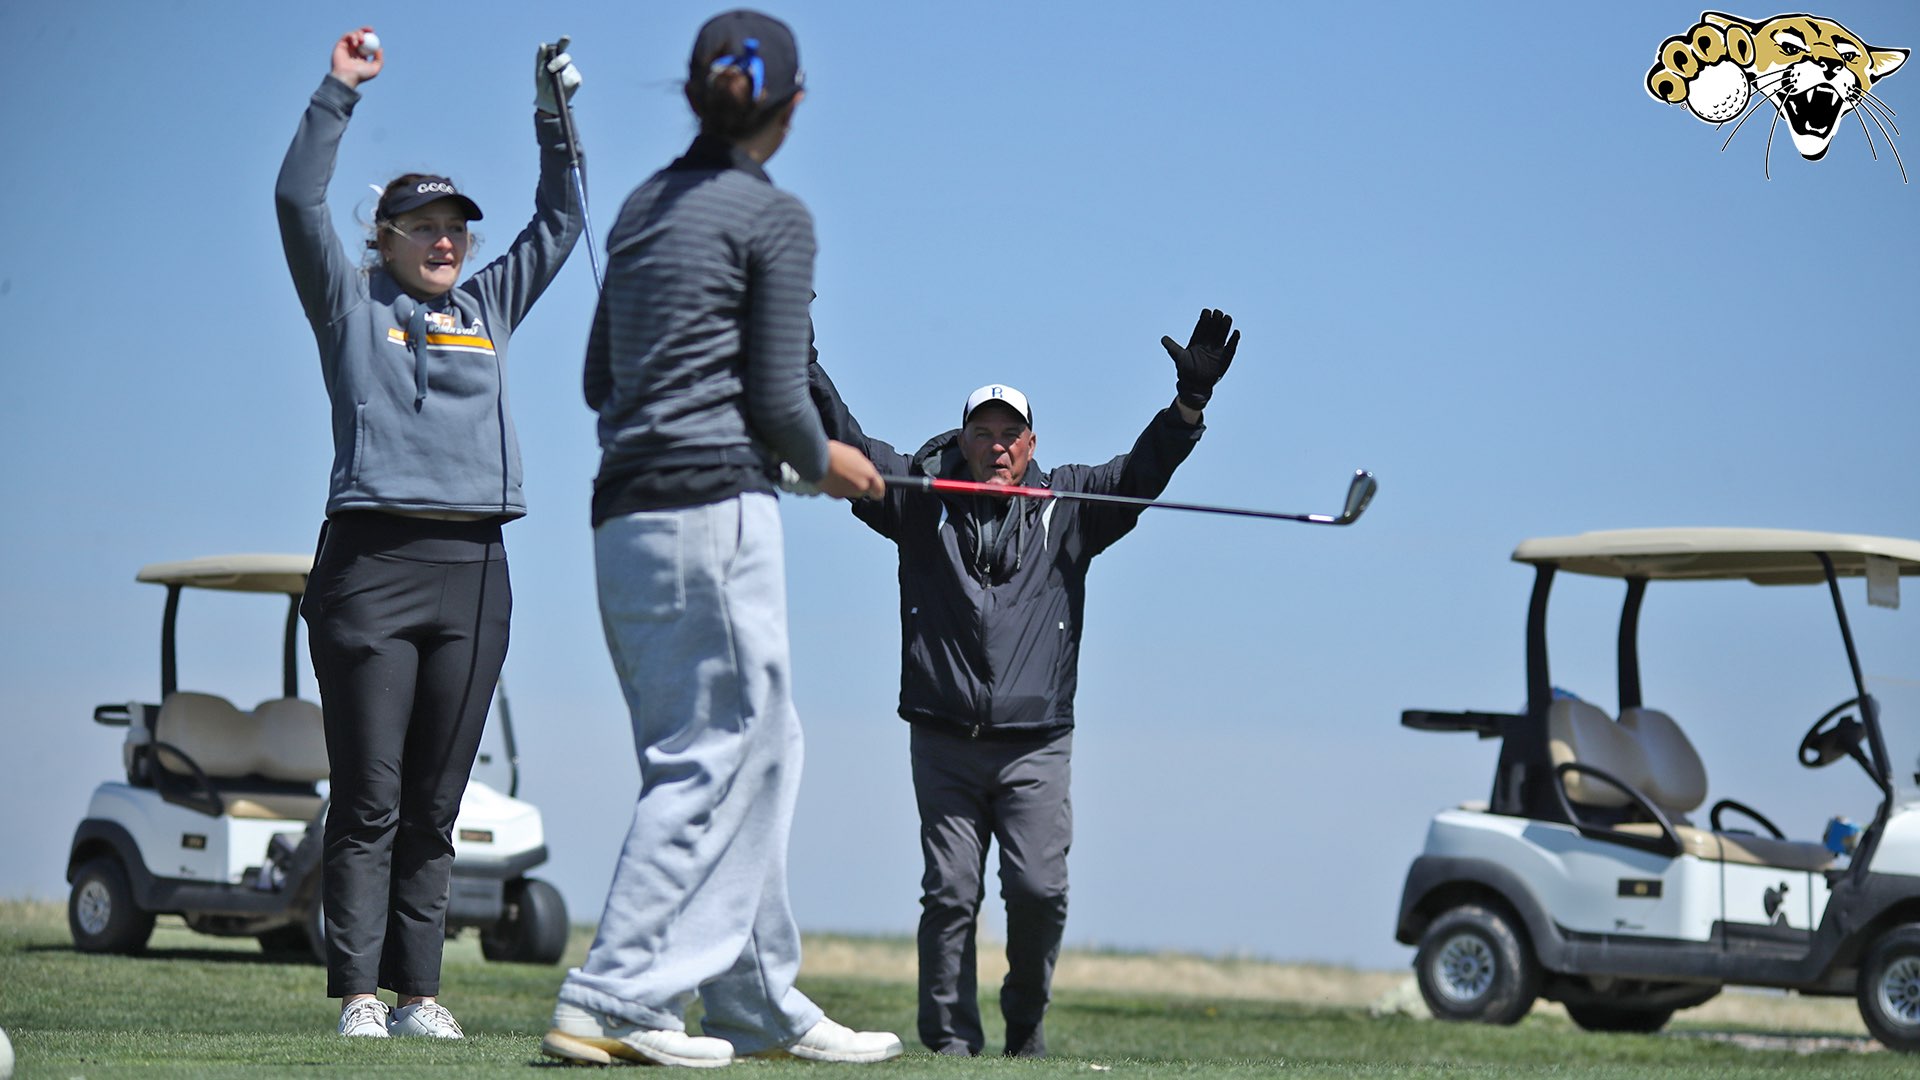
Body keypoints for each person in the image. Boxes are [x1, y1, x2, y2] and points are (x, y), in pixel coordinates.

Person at [539, 10, 902, 1069]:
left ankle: (753, 997)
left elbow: (599, 381)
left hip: (625, 516)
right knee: (719, 756)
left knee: (759, 749)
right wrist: (829, 462)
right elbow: (784, 404)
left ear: (694, 95)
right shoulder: (774, 216)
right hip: (713, 517)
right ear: (792, 108)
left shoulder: (641, 207)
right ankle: (615, 995)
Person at [806, 309, 1241, 1057]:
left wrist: (1188, 404)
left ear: (1031, 445)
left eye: (1012, 433)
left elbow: (1140, 475)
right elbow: (843, 438)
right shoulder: (917, 496)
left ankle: (1025, 1025)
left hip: (1036, 744)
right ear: (962, 438)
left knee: (1039, 892)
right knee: (950, 895)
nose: (998, 445)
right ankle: (950, 1045)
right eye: (983, 432)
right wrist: (800, 353)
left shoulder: (1069, 507)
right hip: (943, 737)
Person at [274, 27, 584, 1038]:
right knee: (369, 797)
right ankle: (359, 996)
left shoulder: (490, 305)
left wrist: (553, 113)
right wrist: (339, 90)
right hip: (369, 566)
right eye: (423, 227)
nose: (445, 240)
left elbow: (563, 218)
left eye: (455, 227)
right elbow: (296, 201)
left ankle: (420, 997)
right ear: (385, 238)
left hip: (476, 570)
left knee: (437, 802)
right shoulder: (349, 303)